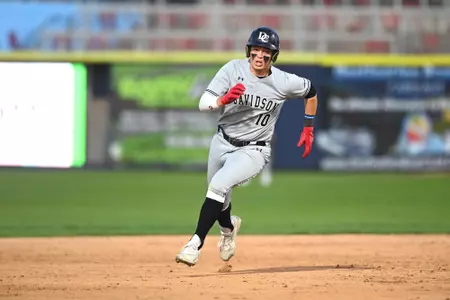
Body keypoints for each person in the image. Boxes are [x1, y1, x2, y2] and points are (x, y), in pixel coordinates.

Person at [175, 26, 318, 267]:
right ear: (248, 50)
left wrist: (308, 127)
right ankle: (229, 229)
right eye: (256, 49)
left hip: (254, 149)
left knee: (218, 185)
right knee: (219, 196)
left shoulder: (283, 81)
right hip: (221, 142)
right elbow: (204, 102)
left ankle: (194, 244)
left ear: (274, 56)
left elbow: (311, 92)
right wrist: (223, 100)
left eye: (266, 51)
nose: (260, 55)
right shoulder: (233, 69)